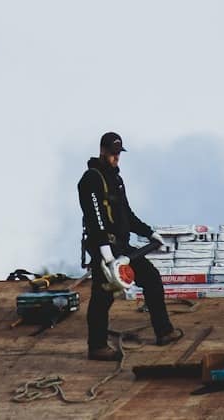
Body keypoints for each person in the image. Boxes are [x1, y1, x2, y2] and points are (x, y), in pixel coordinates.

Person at [78, 131, 183, 361]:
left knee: (152, 279)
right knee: (102, 295)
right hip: (104, 249)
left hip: (123, 248)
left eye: (118, 154)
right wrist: (105, 252)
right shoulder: (91, 180)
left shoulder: (116, 179)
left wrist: (149, 232)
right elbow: (95, 218)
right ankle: (96, 346)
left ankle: (164, 331)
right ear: (102, 151)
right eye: (112, 154)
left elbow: (126, 214)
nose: (116, 158)